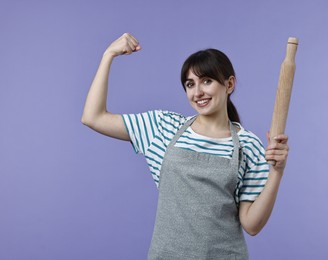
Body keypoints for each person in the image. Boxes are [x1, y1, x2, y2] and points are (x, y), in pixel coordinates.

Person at [81, 33, 289, 260]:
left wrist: (276, 172)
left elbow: (252, 225)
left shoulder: (248, 145)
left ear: (229, 84)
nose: (197, 92)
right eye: (190, 84)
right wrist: (108, 55)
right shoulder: (163, 127)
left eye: (207, 81)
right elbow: (93, 117)